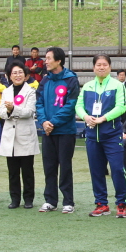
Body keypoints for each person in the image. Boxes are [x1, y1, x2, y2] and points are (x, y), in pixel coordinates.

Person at [77, 54, 126, 218]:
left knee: (117, 170)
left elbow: (121, 107)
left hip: (112, 136)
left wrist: (103, 118)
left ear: (110, 67)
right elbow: (78, 106)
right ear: (94, 67)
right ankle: (101, 204)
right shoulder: (87, 86)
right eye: (98, 65)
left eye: (104, 64)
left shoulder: (117, 85)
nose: (101, 67)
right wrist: (86, 117)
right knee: (96, 171)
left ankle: (121, 203)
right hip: (92, 136)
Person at [36, 47, 80, 213]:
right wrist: (43, 122)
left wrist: (52, 122)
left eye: (48, 58)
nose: (45, 61)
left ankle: (68, 202)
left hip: (65, 131)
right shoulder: (45, 80)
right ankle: (50, 200)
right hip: (47, 131)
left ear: (59, 60)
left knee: (65, 166)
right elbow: (38, 103)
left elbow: (71, 105)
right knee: (49, 167)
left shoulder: (71, 80)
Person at [0, 63, 39, 209]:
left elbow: (29, 112)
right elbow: (1, 112)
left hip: (25, 135)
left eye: (20, 72)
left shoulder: (31, 91)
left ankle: (28, 199)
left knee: (27, 170)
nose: (17, 75)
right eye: (14, 73)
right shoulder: (6, 92)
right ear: (9, 76)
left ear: (26, 75)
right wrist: (8, 111)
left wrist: (13, 108)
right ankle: (14, 199)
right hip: (10, 135)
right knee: (13, 171)